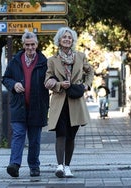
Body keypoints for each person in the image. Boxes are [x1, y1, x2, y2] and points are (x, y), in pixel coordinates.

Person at [44, 27, 94, 178]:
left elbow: (90, 71)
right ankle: (59, 166)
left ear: (72, 41)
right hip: (59, 102)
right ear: (59, 41)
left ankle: (67, 166)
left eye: (69, 37)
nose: (67, 39)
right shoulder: (52, 60)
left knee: (71, 136)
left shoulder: (80, 56)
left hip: (75, 102)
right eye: (64, 37)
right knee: (61, 133)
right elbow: (47, 80)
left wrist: (87, 85)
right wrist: (59, 85)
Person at [2, 31, 49, 178]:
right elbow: (6, 78)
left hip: (37, 107)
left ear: (37, 44)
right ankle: (14, 165)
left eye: (32, 44)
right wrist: (14, 84)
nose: (30, 47)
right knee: (18, 134)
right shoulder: (15, 60)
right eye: (27, 45)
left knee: (34, 139)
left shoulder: (44, 61)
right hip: (18, 106)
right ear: (23, 45)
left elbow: (50, 78)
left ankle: (34, 166)